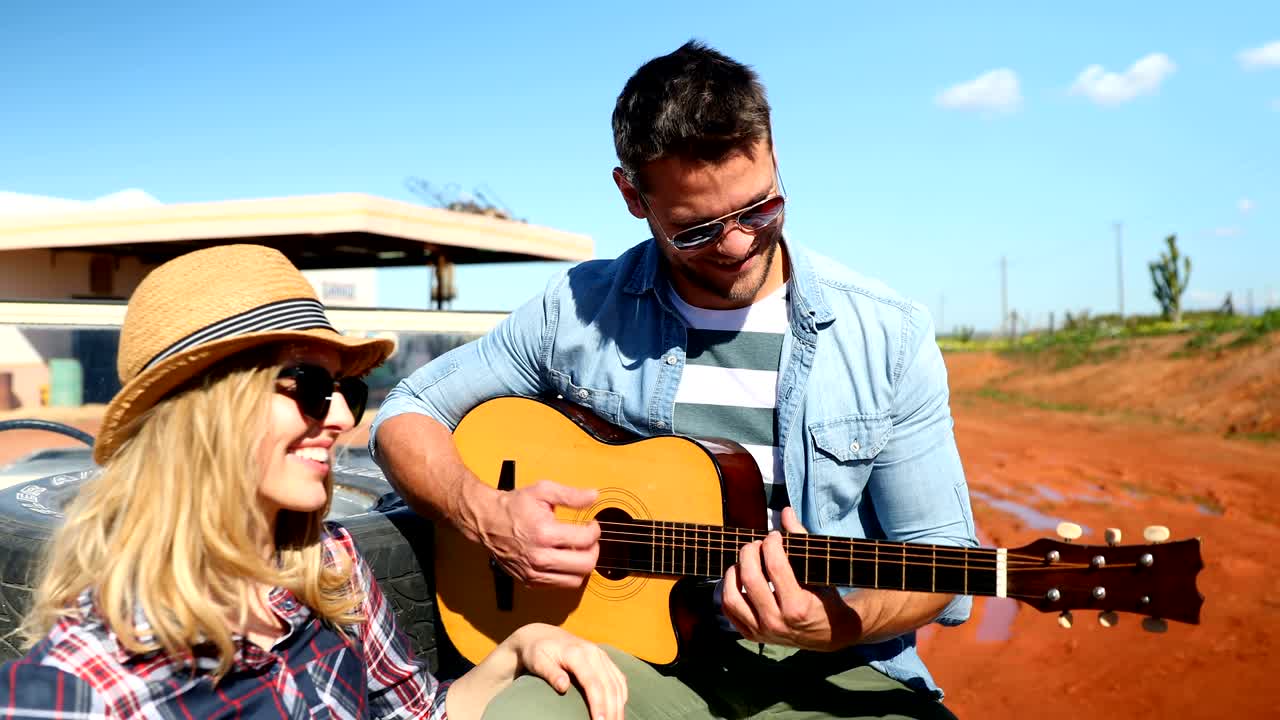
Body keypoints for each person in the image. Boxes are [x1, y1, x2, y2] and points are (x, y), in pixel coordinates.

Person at [372, 41, 977, 719]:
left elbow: (943, 556)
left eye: (759, 209)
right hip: (625, 663)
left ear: (775, 155)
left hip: (833, 669)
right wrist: (483, 514)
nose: (738, 244)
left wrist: (836, 624)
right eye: (697, 230)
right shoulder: (573, 311)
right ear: (632, 195)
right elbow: (406, 413)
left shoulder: (888, 334)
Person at [0, 245, 626, 720]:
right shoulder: (80, 687)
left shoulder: (327, 566)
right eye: (310, 387)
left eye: (348, 391)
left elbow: (418, 713)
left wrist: (519, 649)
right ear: (203, 408)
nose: (343, 419)